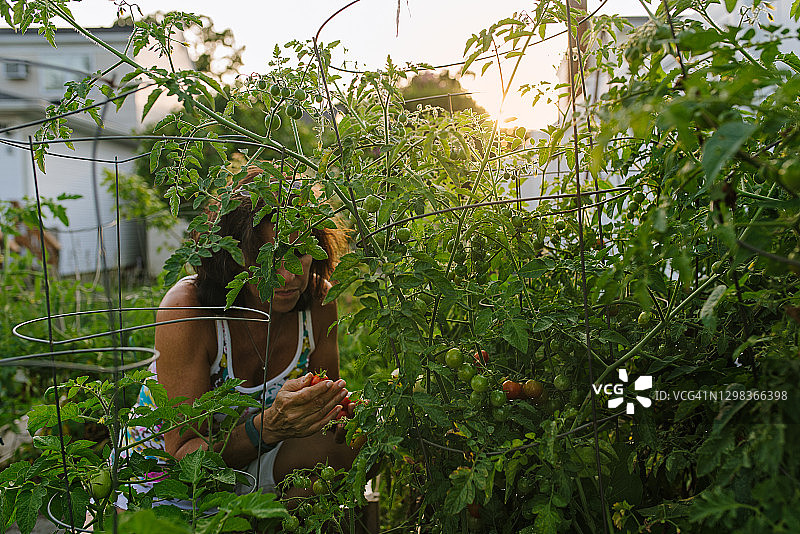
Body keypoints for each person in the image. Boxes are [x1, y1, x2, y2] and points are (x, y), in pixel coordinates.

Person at [119, 167, 355, 507]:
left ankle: (263, 521)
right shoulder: (188, 310)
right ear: (233, 255)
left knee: (349, 448)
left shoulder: (317, 301)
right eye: (268, 257)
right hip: (166, 484)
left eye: (298, 252)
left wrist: (343, 415)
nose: (288, 275)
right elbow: (185, 456)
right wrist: (269, 426)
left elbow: (325, 409)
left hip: (251, 466)